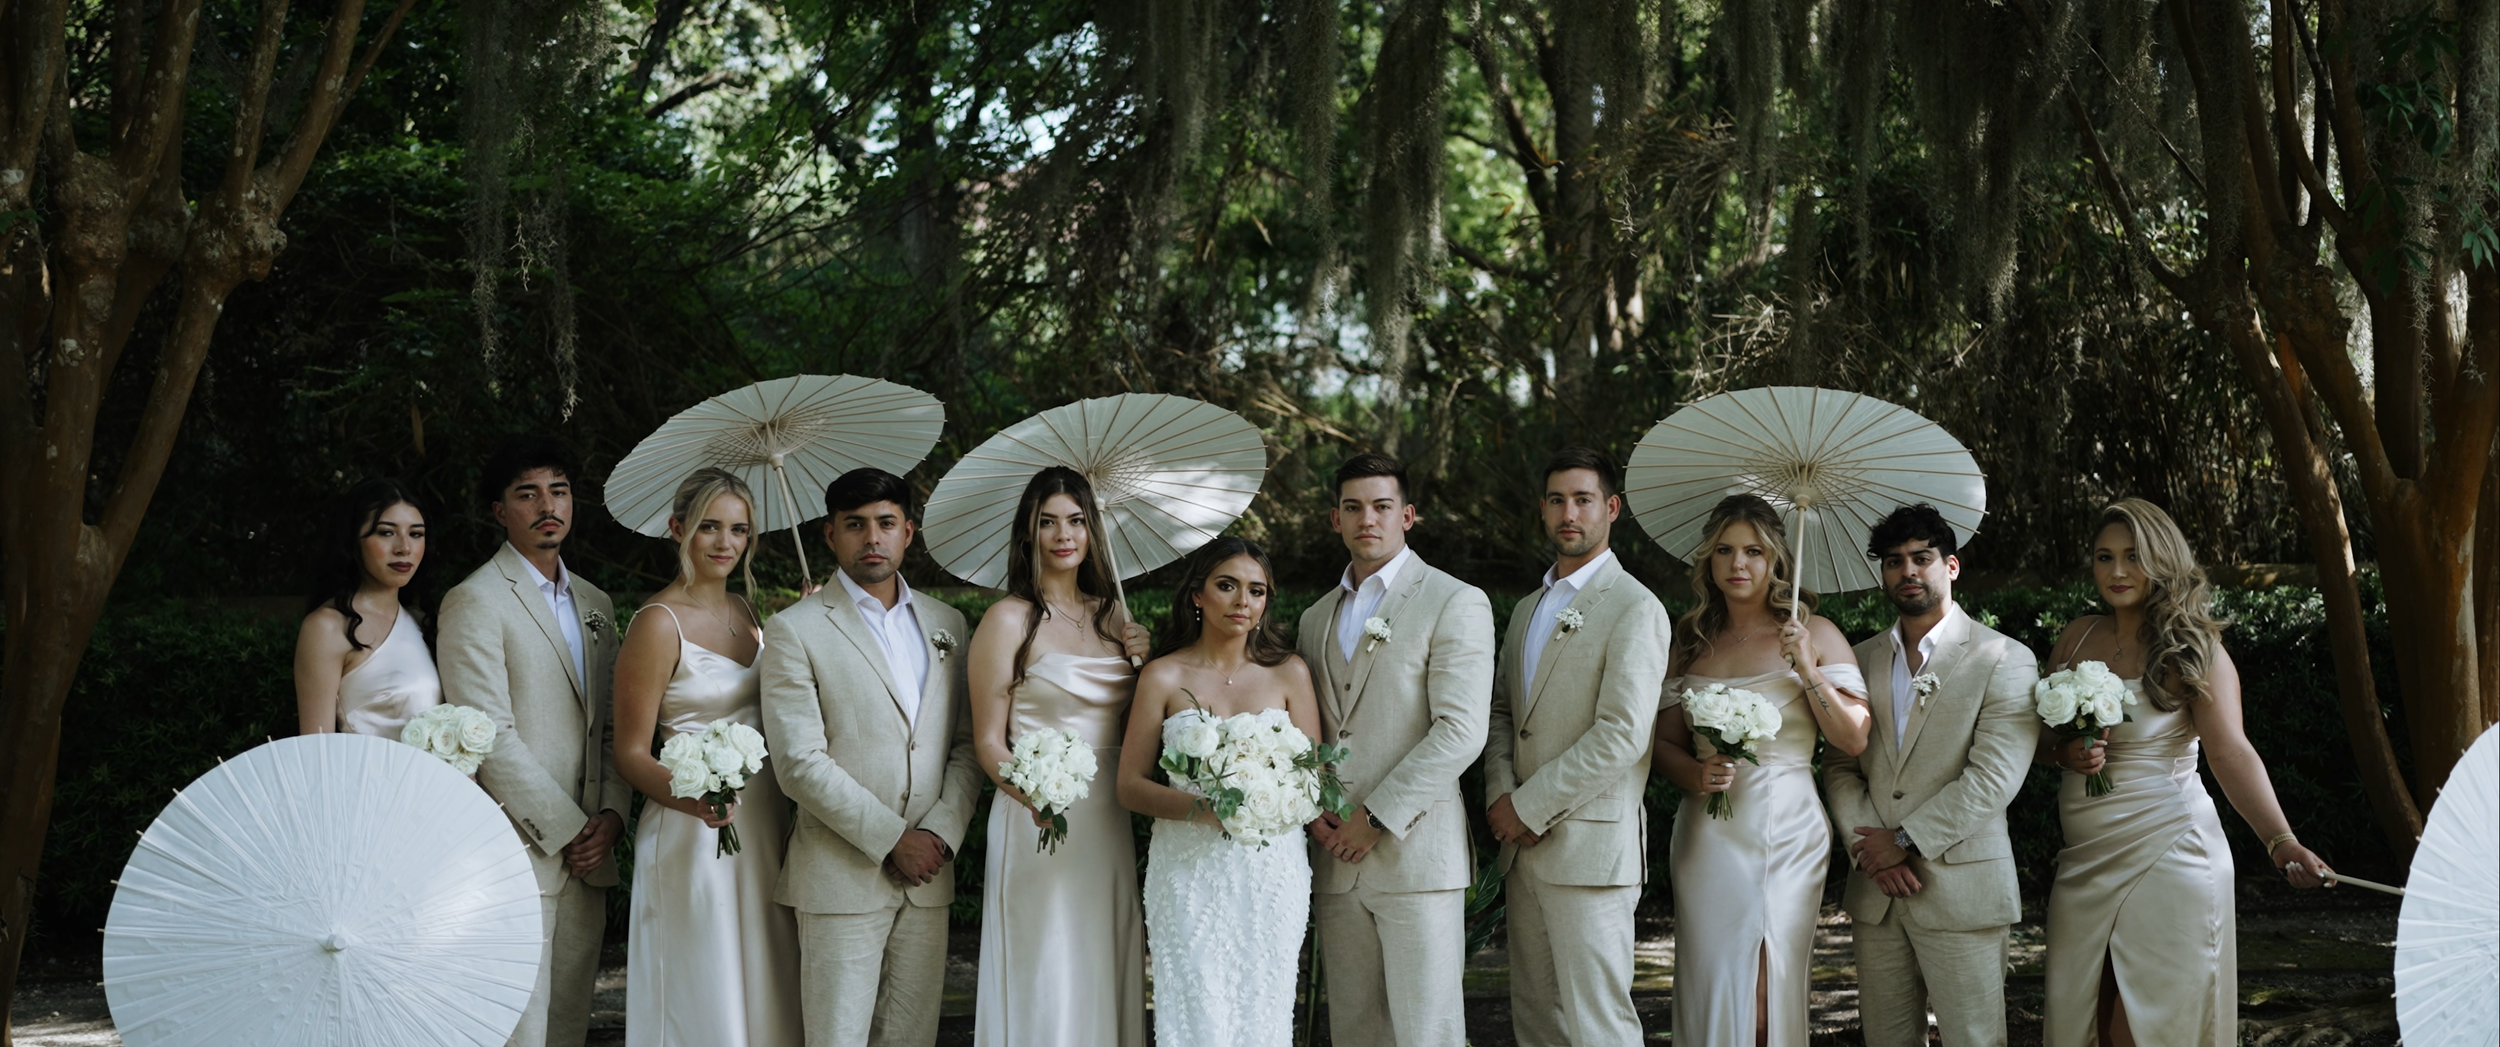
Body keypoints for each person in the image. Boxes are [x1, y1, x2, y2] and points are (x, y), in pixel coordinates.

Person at [2039, 498, 2332, 1047]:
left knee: (2149, 1025)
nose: (2118, 571)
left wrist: (2281, 840)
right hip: (2083, 859)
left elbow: (2231, 754)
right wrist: (2065, 754)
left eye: (2133, 556)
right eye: (2105, 557)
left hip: (2168, 852)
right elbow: (2039, 742)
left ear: (2163, 560)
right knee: (2085, 1015)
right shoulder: (2077, 635)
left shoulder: (2196, 649)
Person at [759, 468, 983, 1047]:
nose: (872, 538)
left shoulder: (949, 625)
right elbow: (798, 762)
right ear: (830, 535)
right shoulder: (795, 629)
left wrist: (938, 834)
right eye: (855, 525)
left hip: (929, 875)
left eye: (885, 523)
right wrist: (893, 839)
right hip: (838, 878)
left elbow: (966, 745)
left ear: (909, 532)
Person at [1652, 493, 1869, 1047]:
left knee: (1768, 991)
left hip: (1788, 830)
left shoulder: (1815, 633)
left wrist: (1808, 671)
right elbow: (1663, 745)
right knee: (1715, 979)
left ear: (1776, 558)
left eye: (1753, 551)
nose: (1738, 564)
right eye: (1724, 551)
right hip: (1707, 834)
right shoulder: (1689, 641)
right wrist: (1696, 776)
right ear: (1708, 560)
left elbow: (1854, 736)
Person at [1821, 503, 2040, 1047]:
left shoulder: (2002, 658)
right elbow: (1841, 764)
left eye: (1922, 558)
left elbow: (1993, 779)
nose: (1908, 572)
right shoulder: (1860, 656)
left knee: (1975, 1038)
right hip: (1877, 891)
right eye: (1894, 562)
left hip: (1961, 886)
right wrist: (1869, 847)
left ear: (1952, 566)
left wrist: (1904, 841)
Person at [1296, 452, 1495, 1047]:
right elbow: (1308, 735)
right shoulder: (1312, 619)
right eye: (1353, 508)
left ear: (1407, 515)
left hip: (1417, 857)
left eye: (1382, 507)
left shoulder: (1455, 600)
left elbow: (1461, 730)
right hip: (1337, 860)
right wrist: (1314, 810)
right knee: (1357, 1032)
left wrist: (1377, 816)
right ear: (1335, 519)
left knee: (1428, 1032)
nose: (1368, 520)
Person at [439, 436, 630, 1047]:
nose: (548, 505)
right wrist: (569, 827)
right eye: (528, 494)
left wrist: (611, 817)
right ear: (500, 511)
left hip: (591, 851)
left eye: (559, 491)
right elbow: (487, 732)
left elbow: (611, 725)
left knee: (568, 1025)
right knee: (517, 1027)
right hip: (520, 847)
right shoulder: (473, 600)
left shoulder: (596, 604)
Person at [1482, 448, 1670, 1047]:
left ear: (1611, 509)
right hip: (1522, 847)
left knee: (1599, 1024)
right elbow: (1503, 714)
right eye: (1558, 500)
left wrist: (1529, 806)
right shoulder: (1524, 610)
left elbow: (1622, 733)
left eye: (1584, 499)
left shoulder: (1636, 607)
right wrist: (1500, 796)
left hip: (1590, 850)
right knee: (1537, 1019)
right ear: (1542, 510)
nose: (1570, 512)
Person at [612, 468, 801, 1047]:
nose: (725, 543)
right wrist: (696, 802)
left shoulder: (750, 613)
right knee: (705, 983)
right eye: (708, 527)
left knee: (767, 978)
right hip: (695, 829)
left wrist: (815, 622)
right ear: (677, 530)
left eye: (739, 529)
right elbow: (629, 752)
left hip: (765, 823)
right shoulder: (656, 623)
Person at [966, 466, 1153, 1047]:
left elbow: (1140, 729)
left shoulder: (1116, 616)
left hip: (1106, 816)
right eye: (1047, 522)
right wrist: (1033, 796)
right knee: (1044, 959)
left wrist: (1149, 664)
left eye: (1075, 520)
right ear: (1028, 533)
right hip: (1036, 817)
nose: (1062, 534)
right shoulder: (1007, 620)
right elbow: (988, 741)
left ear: (1093, 530)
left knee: (1103, 951)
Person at [1118, 537, 1320, 1047]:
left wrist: (1269, 796)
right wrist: (1201, 808)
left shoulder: (1289, 672)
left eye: (1256, 591)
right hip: (1188, 871)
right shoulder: (1163, 675)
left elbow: (1316, 780)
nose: (1242, 602)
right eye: (1227, 586)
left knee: (1265, 1008)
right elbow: (1130, 787)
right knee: (1194, 1009)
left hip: (1270, 872)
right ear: (1197, 596)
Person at [296, 477, 440, 738]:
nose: (404, 548)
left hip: (438, 778)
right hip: (364, 777)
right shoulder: (327, 627)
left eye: (416, 534)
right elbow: (315, 749)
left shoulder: (423, 622)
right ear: (353, 539)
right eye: (386, 532)